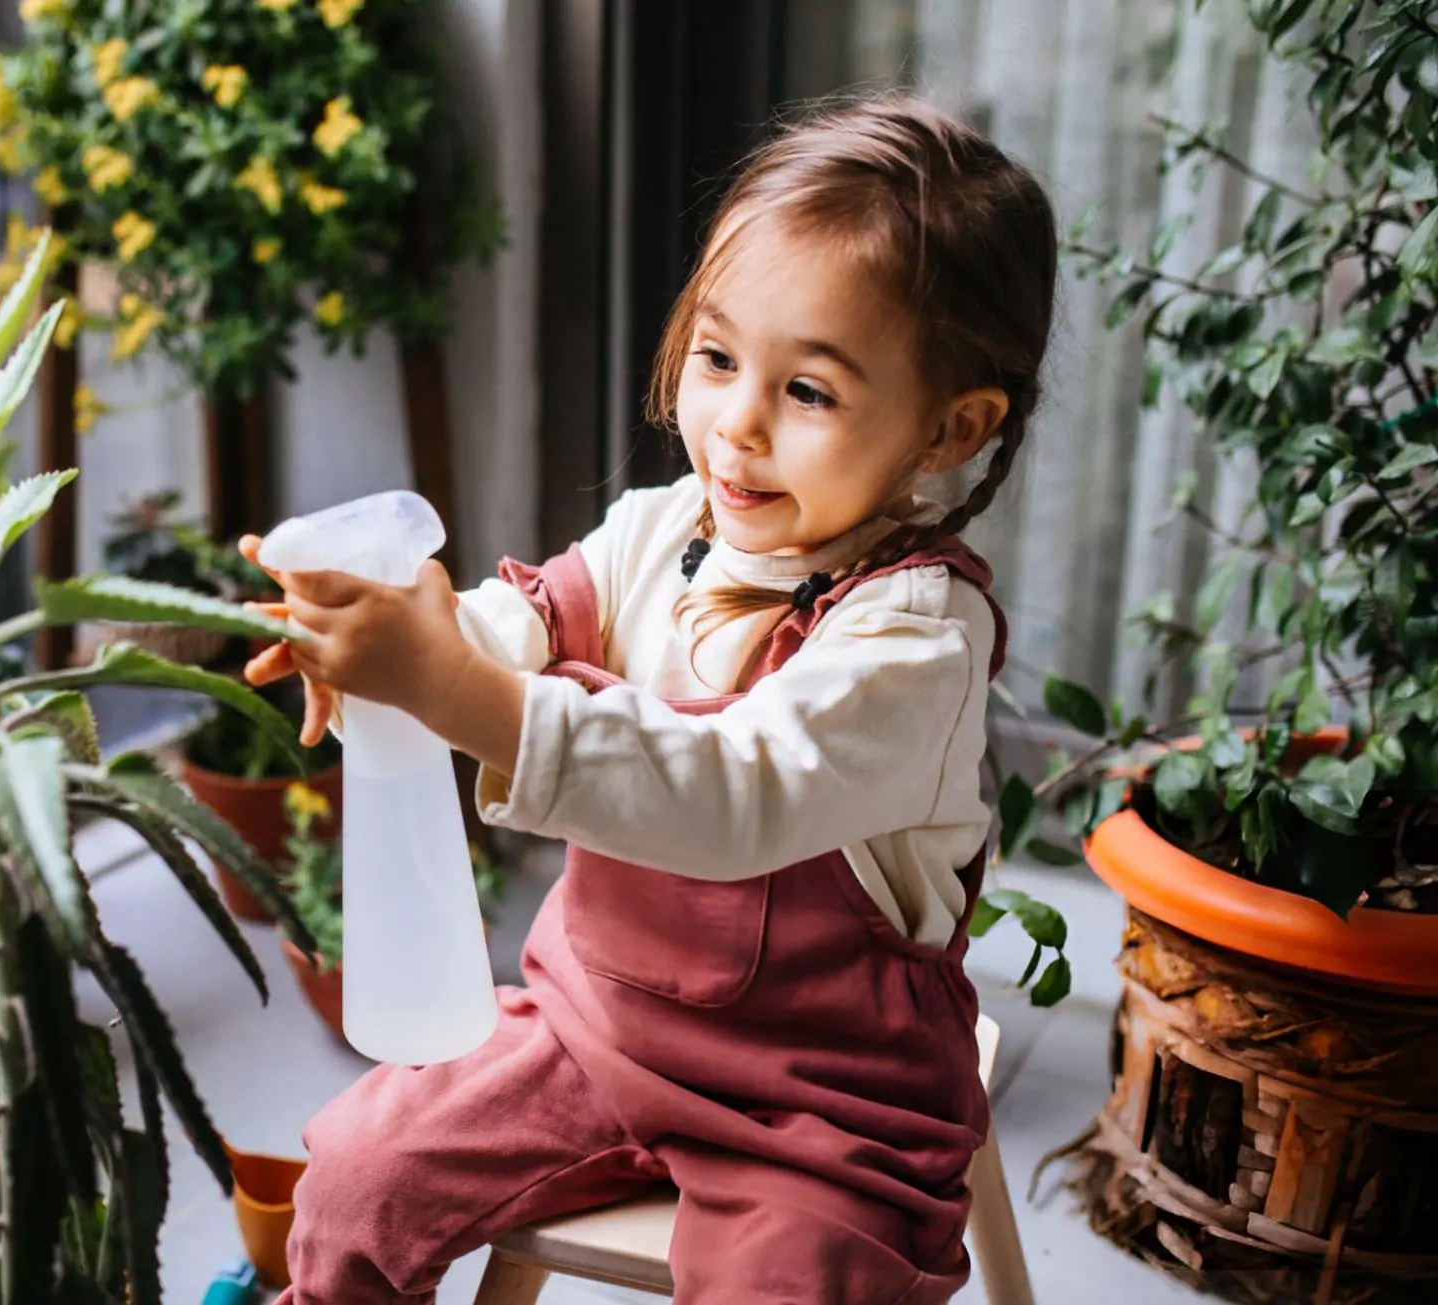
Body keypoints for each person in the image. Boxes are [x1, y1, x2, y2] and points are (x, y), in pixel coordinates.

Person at [238, 93, 1058, 1304]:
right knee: (355, 1182)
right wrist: (401, 647)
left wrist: (461, 692)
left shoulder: (912, 639)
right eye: (719, 358)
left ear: (949, 428)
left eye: (809, 393)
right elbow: (518, 625)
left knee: (796, 1285)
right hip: (592, 1033)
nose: (733, 425)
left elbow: (731, 795)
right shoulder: (662, 531)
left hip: (820, 1100)